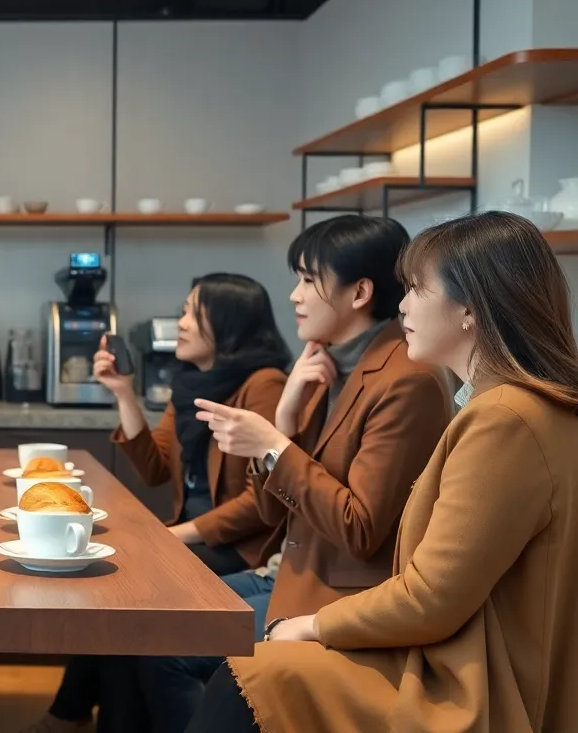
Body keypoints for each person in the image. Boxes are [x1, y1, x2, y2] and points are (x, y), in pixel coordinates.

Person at [189, 212, 578, 732]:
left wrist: (312, 624)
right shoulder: (518, 407)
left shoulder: (501, 417)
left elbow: (430, 595)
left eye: (416, 288)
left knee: (249, 678)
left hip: (469, 679)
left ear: (470, 308)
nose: (402, 304)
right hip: (460, 649)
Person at [25, 273, 290, 732]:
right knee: (119, 594)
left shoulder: (264, 384)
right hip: (197, 534)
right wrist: (123, 392)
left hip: (245, 545)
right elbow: (153, 466)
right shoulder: (191, 383)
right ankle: (83, 717)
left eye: (191, 311)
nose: (180, 323)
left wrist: (172, 537)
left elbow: (260, 501)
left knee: (125, 590)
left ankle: (70, 715)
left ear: (226, 324)